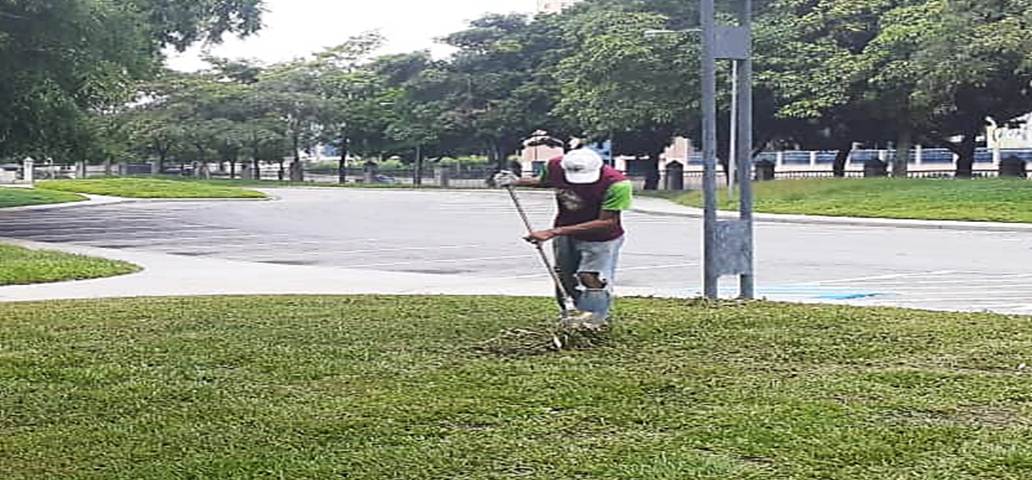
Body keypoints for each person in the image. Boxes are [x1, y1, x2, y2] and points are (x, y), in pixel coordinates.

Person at [494, 147, 632, 328]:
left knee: (590, 277)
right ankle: (572, 314)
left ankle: (595, 320)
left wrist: (552, 232)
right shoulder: (554, 166)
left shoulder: (617, 184)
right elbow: (545, 181)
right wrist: (518, 181)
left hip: (602, 238)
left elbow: (608, 222)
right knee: (564, 276)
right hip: (565, 231)